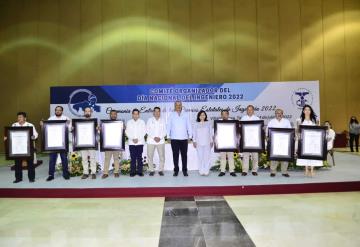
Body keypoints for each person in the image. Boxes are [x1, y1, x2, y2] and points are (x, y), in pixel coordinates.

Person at [5, 112, 38, 183]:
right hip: (17, 148)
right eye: (18, 117)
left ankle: (31, 178)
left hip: (28, 148)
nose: (19, 118)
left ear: (25, 118)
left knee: (30, 164)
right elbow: (10, 134)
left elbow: (35, 134)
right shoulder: (14, 125)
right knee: (17, 164)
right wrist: (7, 138)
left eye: (20, 117)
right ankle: (18, 178)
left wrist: (33, 137)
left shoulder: (30, 125)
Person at [40, 106, 71, 181]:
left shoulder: (66, 119)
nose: (58, 111)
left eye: (59, 110)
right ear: (55, 111)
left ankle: (65, 174)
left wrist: (68, 125)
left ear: (62, 111)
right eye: (56, 110)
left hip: (63, 143)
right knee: (52, 159)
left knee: (64, 159)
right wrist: (42, 125)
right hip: (53, 143)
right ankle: (51, 175)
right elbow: (46, 129)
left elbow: (70, 129)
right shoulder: (51, 119)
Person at [167, 101, 192, 177]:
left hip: (184, 138)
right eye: (176, 105)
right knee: (175, 155)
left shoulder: (186, 114)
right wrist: (168, 136)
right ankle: (176, 170)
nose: (178, 106)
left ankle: (185, 170)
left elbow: (189, 125)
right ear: (174, 106)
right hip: (174, 139)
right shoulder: (171, 115)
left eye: (179, 105)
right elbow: (168, 126)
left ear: (181, 106)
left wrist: (190, 136)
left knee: (184, 155)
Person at [296, 104, 322, 176]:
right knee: (304, 154)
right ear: (303, 111)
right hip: (304, 141)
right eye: (306, 110)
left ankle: (312, 170)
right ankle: (306, 169)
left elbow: (318, 130)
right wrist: (298, 135)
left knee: (313, 154)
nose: (307, 111)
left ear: (311, 111)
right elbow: (298, 131)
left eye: (309, 110)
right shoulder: (299, 120)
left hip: (313, 140)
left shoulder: (315, 120)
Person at [266, 109, 292, 177]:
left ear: (282, 114)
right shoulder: (271, 122)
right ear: (275, 114)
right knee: (274, 157)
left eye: (280, 113)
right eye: (277, 113)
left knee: (285, 157)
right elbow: (267, 132)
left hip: (284, 143)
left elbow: (290, 132)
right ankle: (273, 171)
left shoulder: (286, 121)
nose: (279, 114)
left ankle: (284, 171)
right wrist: (267, 137)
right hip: (274, 143)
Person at [101, 110, 122, 179]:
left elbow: (122, 134)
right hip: (108, 144)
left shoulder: (120, 123)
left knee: (116, 159)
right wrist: (100, 129)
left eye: (114, 114)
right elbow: (102, 133)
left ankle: (116, 172)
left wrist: (123, 128)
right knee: (107, 159)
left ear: (116, 115)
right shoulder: (105, 124)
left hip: (116, 144)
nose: (113, 115)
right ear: (110, 115)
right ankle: (105, 173)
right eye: (112, 114)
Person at [146, 107, 166, 176]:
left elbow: (165, 131)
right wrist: (154, 137)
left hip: (160, 141)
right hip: (151, 141)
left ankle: (160, 170)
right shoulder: (149, 120)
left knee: (162, 156)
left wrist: (159, 137)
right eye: (156, 111)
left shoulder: (163, 120)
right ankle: (151, 170)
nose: (157, 113)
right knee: (150, 156)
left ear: (160, 112)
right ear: (153, 113)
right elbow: (147, 130)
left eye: (158, 111)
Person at [240, 105, 260, 176]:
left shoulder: (257, 118)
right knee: (245, 156)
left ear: (253, 110)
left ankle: (254, 170)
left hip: (255, 141)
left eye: (251, 109)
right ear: (246, 111)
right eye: (248, 110)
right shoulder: (243, 118)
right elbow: (240, 129)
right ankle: (245, 170)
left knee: (255, 156)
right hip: (246, 140)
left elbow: (260, 130)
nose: (249, 111)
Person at [126, 109, 146, 177]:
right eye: (134, 114)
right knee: (133, 158)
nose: (135, 115)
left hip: (140, 143)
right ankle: (132, 172)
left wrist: (138, 139)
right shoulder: (129, 122)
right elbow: (127, 132)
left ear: (139, 115)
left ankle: (140, 171)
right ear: (132, 114)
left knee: (139, 157)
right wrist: (132, 139)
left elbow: (144, 132)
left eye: (137, 114)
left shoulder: (142, 122)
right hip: (131, 143)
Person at [193, 110, 213, 176]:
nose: (202, 116)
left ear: (205, 116)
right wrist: (194, 141)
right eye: (201, 115)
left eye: (203, 115)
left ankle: (206, 170)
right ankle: (201, 170)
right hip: (199, 143)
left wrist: (211, 141)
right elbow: (194, 133)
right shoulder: (196, 124)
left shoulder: (208, 123)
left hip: (207, 142)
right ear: (199, 116)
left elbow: (210, 133)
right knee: (200, 157)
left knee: (207, 157)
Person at [80, 107, 97, 179]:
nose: (87, 112)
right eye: (86, 111)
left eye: (88, 111)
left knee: (92, 158)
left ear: (91, 112)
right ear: (84, 112)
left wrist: (98, 129)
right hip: (82, 142)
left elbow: (98, 132)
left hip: (92, 143)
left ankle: (93, 172)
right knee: (84, 158)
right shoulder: (79, 122)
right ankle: (85, 173)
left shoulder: (95, 121)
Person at [218, 109, 236, 177]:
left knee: (231, 156)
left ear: (228, 114)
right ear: (221, 115)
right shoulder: (218, 122)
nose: (224, 115)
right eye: (223, 114)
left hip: (230, 142)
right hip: (222, 142)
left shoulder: (232, 121)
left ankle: (232, 171)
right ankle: (222, 171)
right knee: (222, 157)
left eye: (225, 114)